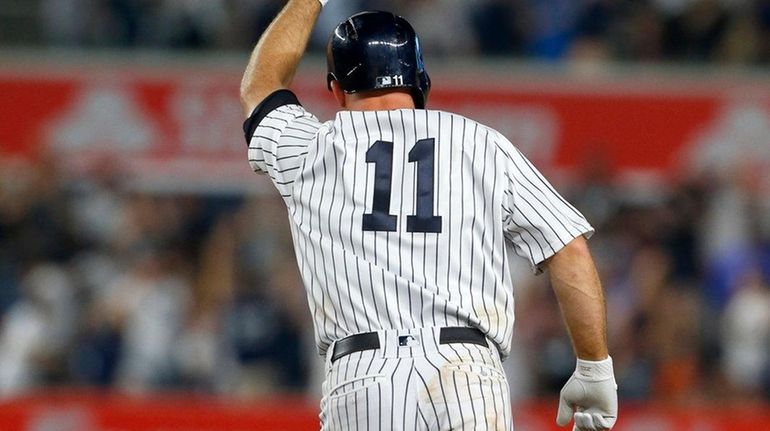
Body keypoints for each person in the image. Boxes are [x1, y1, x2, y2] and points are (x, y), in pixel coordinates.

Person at [239, 1, 617, 430]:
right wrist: (593, 367)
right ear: (422, 83)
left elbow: (262, 87)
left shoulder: (313, 149)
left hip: (363, 378)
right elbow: (568, 248)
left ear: (338, 91)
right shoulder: (481, 144)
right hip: (466, 374)